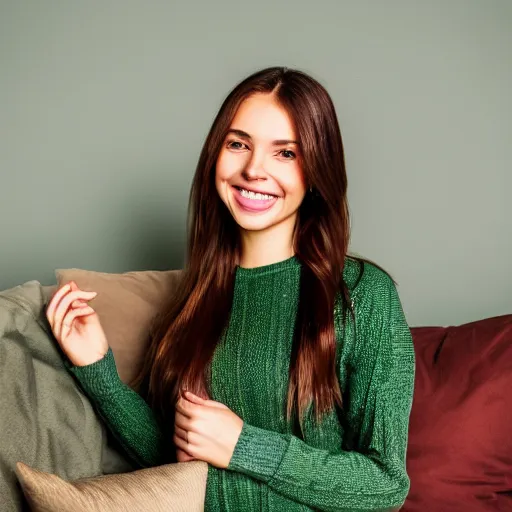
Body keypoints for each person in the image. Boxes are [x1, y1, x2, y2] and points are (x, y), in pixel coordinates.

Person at [46, 66, 415, 511]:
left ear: (317, 170)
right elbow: (175, 459)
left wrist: (246, 446)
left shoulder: (361, 294)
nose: (253, 170)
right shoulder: (198, 296)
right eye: (238, 144)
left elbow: (386, 483)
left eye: (286, 154)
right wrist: (97, 370)